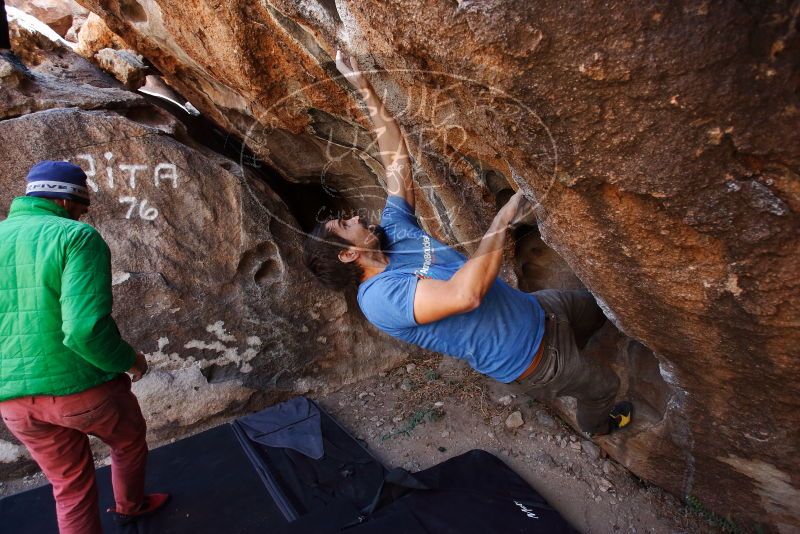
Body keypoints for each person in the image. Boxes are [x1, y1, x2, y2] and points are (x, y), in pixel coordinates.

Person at [304, 52, 632, 436]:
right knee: (602, 387)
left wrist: (362, 85)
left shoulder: (393, 229)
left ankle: (600, 343)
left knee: (604, 309)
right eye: (346, 224)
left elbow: (397, 161)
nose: (356, 217)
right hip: (537, 360)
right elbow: (466, 295)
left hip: (540, 310)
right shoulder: (380, 298)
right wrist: (503, 218)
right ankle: (599, 426)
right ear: (347, 253)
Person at [0, 161, 168, 534]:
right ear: (65, 202)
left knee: (69, 487)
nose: (82, 214)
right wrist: (131, 361)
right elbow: (82, 330)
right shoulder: (75, 237)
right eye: (82, 207)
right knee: (127, 441)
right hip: (82, 389)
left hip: (13, 401)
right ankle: (130, 506)